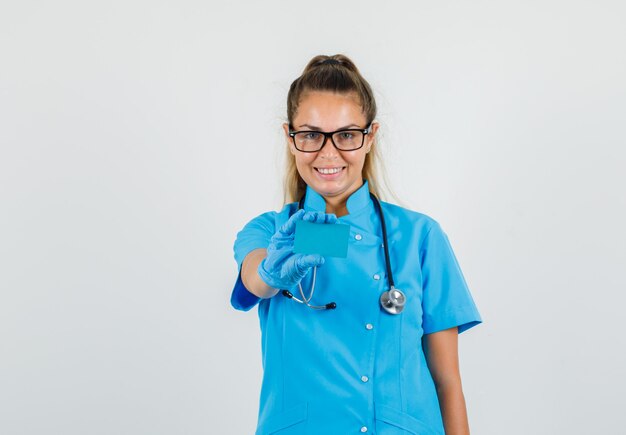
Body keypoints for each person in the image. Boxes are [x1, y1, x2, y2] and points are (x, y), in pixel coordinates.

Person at [230, 54, 482, 435]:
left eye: (346, 135)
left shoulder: (419, 237)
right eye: (311, 134)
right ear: (290, 137)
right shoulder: (272, 231)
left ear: (370, 136)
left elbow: (447, 382)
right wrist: (268, 273)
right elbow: (255, 279)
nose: (328, 153)